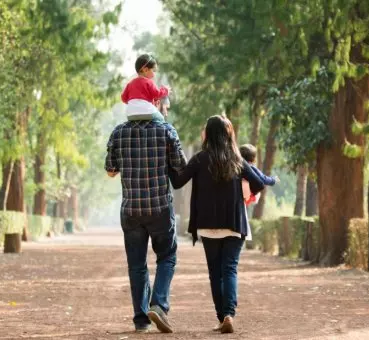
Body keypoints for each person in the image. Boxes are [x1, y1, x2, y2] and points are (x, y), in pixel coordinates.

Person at [169, 115, 265, 334]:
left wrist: (169, 161)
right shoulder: (237, 159)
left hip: (208, 224)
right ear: (227, 133)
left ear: (208, 134)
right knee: (229, 269)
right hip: (234, 222)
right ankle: (229, 314)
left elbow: (177, 182)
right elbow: (259, 183)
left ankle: (222, 317)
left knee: (215, 272)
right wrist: (243, 193)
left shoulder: (199, 159)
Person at [104, 103, 187, 333]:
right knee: (167, 257)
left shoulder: (119, 132)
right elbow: (181, 166)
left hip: (131, 210)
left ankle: (141, 320)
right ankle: (159, 304)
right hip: (160, 208)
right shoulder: (166, 130)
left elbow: (110, 170)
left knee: (137, 265)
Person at [121, 54, 170, 122]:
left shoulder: (130, 84)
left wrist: (134, 103)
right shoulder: (148, 82)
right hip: (146, 112)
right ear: (146, 70)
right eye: (153, 70)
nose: (154, 74)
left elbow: (123, 98)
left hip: (130, 114)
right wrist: (166, 90)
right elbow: (157, 94)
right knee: (161, 118)